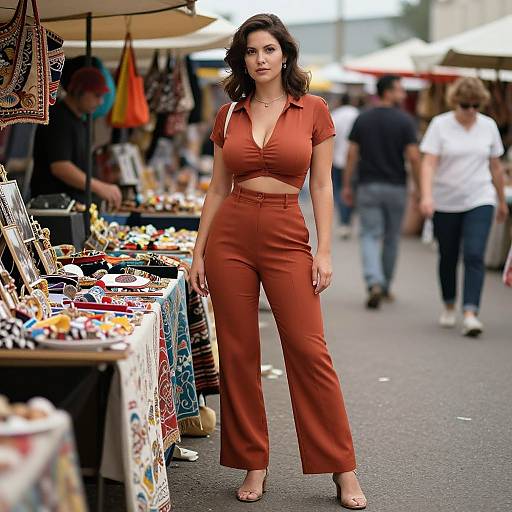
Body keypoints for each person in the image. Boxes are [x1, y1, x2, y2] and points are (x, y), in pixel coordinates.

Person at [189, 13, 366, 510]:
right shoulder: (229, 114)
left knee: (310, 352)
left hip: (288, 231)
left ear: (284, 54)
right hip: (231, 235)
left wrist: (324, 250)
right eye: (250, 51)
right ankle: (254, 461)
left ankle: (342, 467)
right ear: (242, 59)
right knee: (239, 352)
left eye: (268, 49)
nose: (260, 59)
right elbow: (218, 188)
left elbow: (324, 186)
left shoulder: (314, 109)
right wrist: (198, 252)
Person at [419, 77, 507, 337]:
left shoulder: (488, 126)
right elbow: (429, 164)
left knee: (474, 254)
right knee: (448, 255)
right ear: (455, 102)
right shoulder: (440, 125)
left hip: (480, 198)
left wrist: (501, 201)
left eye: (476, 105)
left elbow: (495, 166)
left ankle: (470, 312)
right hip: (445, 201)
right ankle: (449, 303)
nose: (470, 110)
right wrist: (426, 196)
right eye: (465, 105)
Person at [343, 75, 420, 309]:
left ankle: (373, 281)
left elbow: (352, 154)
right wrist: (419, 187)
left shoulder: (363, 119)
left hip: (368, 185)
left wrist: (347, 184)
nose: (404, 94)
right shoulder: (406, 121)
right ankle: (384, 286)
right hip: (396, 186)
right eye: (399, 89)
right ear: (387, 92)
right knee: (392, 238)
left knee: (369, 234)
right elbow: (414, 157)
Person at [31, 67, 122, 209]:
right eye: (97, 95)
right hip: (54, 208)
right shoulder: (58, 119)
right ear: (79, 91)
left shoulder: (80, 120)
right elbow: (60, 167)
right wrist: (100, 187)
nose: (101, 102)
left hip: (74, 205)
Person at [331, 93, 359, 239]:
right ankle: (348, 220)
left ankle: (344, 222)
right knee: (351, 191)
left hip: (337, 160)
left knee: (339, 191)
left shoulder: (335, 115)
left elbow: (331, 138)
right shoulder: (358, 115)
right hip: (355, 161)